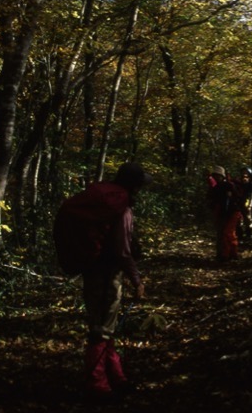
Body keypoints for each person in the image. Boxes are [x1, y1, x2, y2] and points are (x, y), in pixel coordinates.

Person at [82, 162, 152, 399]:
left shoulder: (106, 201)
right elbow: (123, 251)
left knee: (105, 326)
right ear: (134, 186)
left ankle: (115, 375)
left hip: (92, 271)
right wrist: (137, 280)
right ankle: (97, 384)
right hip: (108, 274)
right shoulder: (121, 208)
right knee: (101, 330)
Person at [207, 165, 242, 262]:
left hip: (233, 212)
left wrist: (231, 197)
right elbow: (211, 200)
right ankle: (224, 254)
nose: (216, 177)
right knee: (222, 234)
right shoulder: (215, 188)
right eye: (215, 175)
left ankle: (230, 254)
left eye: (218, 175)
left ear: (222, 176)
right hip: (222, 213)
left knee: (228, 233)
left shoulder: (229, 185)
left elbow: (238, 197)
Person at [236, 166, 252, 246]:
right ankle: (240, 236)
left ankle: (249, 234)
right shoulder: (238, 183)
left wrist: (250, 204)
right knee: (239, 220)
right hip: (238, 203)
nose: (244, 175)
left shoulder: (250, 184)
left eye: (246, 174)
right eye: (243, 173)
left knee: (248, 219)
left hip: (246, 203)